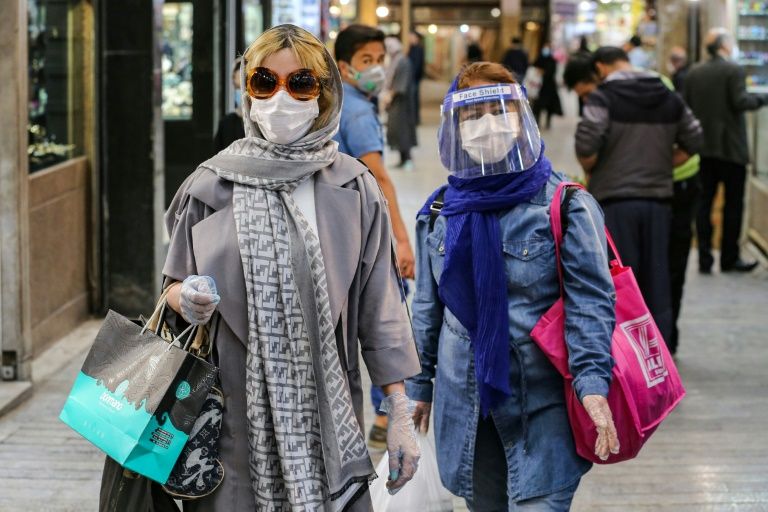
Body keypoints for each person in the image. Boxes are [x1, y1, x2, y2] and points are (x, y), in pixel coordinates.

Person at [162, 24, 421, 511]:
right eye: (266, 82)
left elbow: (379, 304)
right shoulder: (210, 185)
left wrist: (400, 408)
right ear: (248, 91)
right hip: (231, 420)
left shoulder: (355, 187)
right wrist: (188, 298)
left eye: (300, 83)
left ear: (323, 95)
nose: (281, 97)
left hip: (326, 417)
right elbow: (171, 287)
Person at [407, 62, 619, 511]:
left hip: (542, 410)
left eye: (498, 109)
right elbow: (428, 309)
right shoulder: (441, 212)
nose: (487, 125)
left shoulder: (566, 206)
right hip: (467, 413)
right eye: (472, 115)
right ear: (455, 126)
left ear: (521, 116)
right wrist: (417, 388)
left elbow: (590, 304)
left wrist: (593, 383)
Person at [575, 46, 703, 345]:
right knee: (657, 279)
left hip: (615, 202)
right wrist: (662, 164)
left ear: (601, 68)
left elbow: (586, 145)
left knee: (619, 281)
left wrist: (600, 164)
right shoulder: (667, 95)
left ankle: (624, 350)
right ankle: (659, 350)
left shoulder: (603, 96)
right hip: (659, 203)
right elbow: (695, 137)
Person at [332, 23, 417, 451]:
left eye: (380, 60)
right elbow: (380, 178)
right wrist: (402, 240)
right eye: (367, 61)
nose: (377, 69)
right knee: (389, 318)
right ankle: (390, 415)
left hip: (339, 235)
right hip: (365, 235)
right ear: (344, 67)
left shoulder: (337, 103)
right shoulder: (360, 113)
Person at [683, 28, 768, 273]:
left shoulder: (694, 72)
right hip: (731, 150)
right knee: (733, 205)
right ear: (723, 46)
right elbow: (741, 102)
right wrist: (762, 99)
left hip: (702, 149)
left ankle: (704, 258)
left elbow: (685, 108)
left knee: (703, 204)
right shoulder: (734, 70)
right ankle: (729, 258)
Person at [383, 34, 418, 170]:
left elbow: (400, 85)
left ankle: (407, 158)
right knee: (396, 131)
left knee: (403, 130)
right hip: (396, 102)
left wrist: (389, 95)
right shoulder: (395, 60)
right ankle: (402, 159)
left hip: (402, 103)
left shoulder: (402, 61)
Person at [213, 57, 246, 152]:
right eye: (238, 87)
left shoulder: (266, 125)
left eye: (246, 87)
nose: (243, 93)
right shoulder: (226, 123)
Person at [531, 45, 563, 129]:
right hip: (540, 86)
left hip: (549, 86)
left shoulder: (552, 61)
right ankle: (537, 121)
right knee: (538, 106)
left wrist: (543, 72)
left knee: (549, 106)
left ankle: (547, 122)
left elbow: (552, 72)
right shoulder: (540, 59)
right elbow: (533, 67)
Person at [408, 30, 426, 125]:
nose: (409, 39)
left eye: (411, 37)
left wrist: (412, 75)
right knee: (413, 98)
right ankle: (414, 118)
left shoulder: (418, 49)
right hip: (413, 77)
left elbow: (417, 64)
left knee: (414, 98)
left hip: (415, 78)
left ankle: (415, 119)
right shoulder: (412, 48)